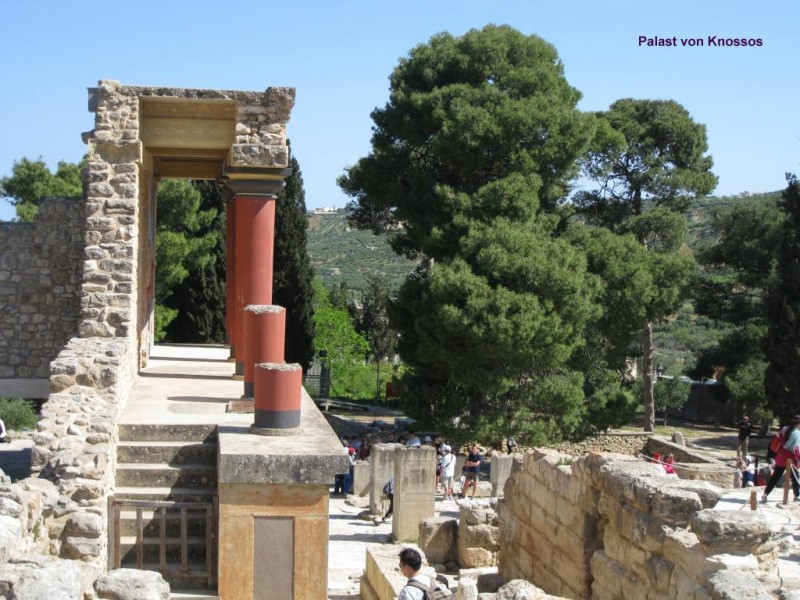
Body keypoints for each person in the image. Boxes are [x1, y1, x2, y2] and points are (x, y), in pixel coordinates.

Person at [761, 415, 800, 504]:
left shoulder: (784, 429)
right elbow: (796, 449)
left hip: (781, 456)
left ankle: (765, 494)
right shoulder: (797, 433)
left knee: (775, 477)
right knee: (795, 477)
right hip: (791, 458)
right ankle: (797, 496)